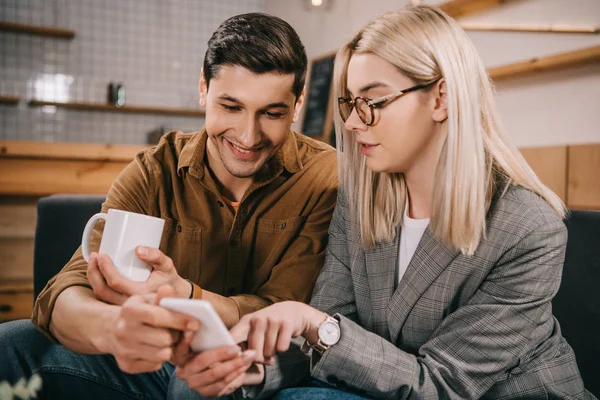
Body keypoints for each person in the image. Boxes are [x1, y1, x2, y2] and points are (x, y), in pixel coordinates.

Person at [174, 5, 592, 399]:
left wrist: (316, 324)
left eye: (373, 102)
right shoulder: (358, 204)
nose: (353, 122)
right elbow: (327, 336)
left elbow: (440, 385)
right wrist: (258, 370)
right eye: (351, 103)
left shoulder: (528, 230)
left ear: (441, 98)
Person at [0, 12, 338, 399]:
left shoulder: (324, 177)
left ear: (296, 108)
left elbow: (282, 308)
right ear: (203, 89)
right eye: (230, 106)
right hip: (151, 359)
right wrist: (116, 328)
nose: (248, 136)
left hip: (257, 364)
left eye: (272, 114)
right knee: (10, 343)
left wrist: (186, 296)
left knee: (196, 382)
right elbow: (64, 291)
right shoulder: (154, 171)